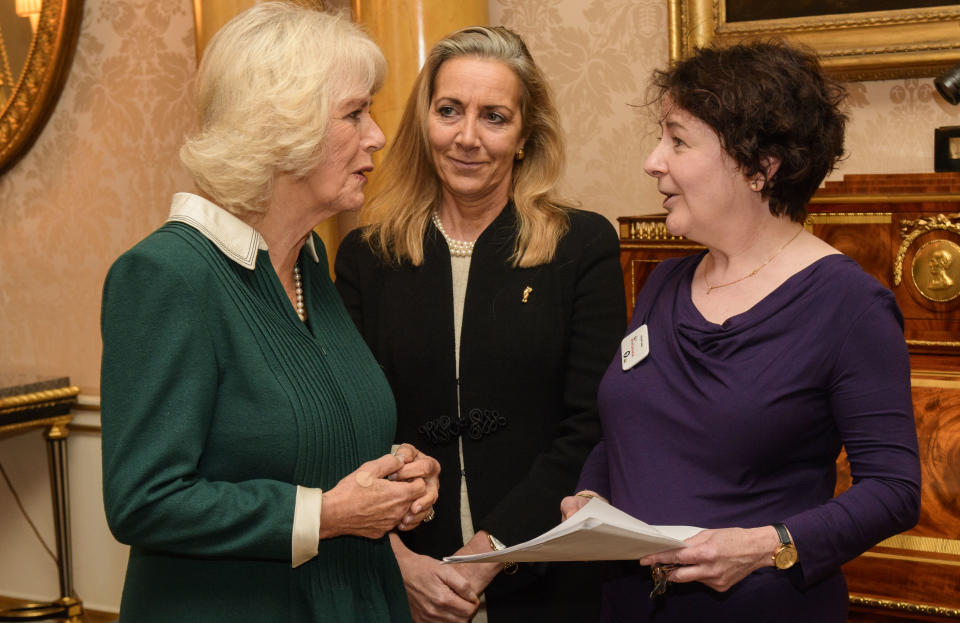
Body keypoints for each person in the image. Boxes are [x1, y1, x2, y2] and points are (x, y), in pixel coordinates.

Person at [99, 4, 439, 621]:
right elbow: (145, 500)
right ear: (284, 128)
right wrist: (329, 514)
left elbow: (290, 435)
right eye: (355, 113)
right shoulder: (167, 275)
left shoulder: (306, 259)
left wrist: (398, 478)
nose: (378, 136)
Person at [561, 40, 922, 622]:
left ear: (760, 168)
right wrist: (592, 499)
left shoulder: (851, 306)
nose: (654, 160)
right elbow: (623, 430)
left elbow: (893, 491)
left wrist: (765, 546)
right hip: (629, 604)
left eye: (678, 140)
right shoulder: (663, 282)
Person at [335, 25, 626, 623]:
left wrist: (485, 555)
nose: (467, 138)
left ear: (525, 135)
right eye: (449, 111)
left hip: (544, 576)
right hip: (401, 578)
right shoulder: (368, 255)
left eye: (494, 116)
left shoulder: (581, 245)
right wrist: (400, 563)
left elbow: (591, 424)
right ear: (424, 122)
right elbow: (346, 426)